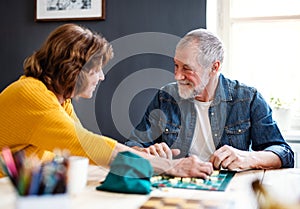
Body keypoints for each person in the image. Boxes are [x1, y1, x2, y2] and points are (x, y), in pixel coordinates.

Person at [0, 24, 213, 178]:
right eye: (96, 69)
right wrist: (171, 167)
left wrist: (137, 153)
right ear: (75, 69)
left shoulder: (59, 99)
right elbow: (91, 148)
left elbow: (83, 146)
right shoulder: (30, 95)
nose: (101, 76)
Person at [125, 28, 294, 171]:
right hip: (176, 187)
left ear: (214, 67)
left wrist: (248, 158)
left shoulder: (248, 98)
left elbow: (284, 153)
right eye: (176, 65)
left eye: (187, 68)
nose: (177, 75)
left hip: (231, 191)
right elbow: (130, 147)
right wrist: (146, 152)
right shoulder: (166, 97)